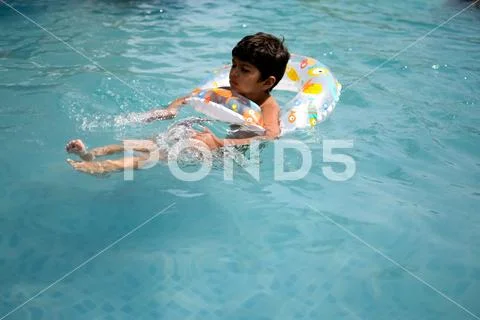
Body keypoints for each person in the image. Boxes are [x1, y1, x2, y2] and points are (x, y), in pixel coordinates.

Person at [66, 32, 290, 175]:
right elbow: (189, 98)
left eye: (245, 70)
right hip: (203, 135)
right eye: (234, 65)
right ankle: (92, 153)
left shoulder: (268, 107)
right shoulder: (231, 91)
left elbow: (269, 135)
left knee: (156, 155)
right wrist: (171, 109)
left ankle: (103, 168)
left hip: (220, 152)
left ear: (267, 82)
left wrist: (219, 142)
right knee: (148, 141)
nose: (234, 73)